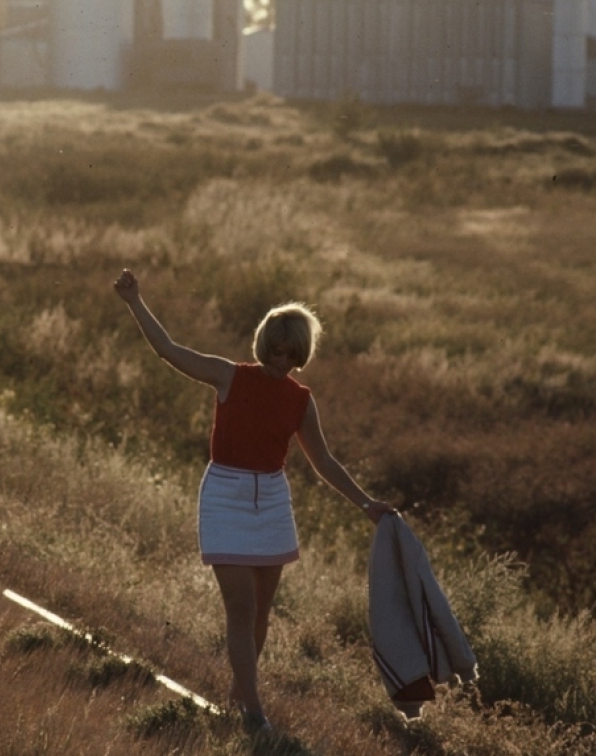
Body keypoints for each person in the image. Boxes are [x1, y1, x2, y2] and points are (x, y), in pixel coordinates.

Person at [114, 268, 394, 731]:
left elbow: (324, 461)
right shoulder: (229, 377)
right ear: (265, 344)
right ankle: (256, 715)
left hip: (273, 504)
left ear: (302, 353)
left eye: (291, 353)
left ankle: (237, 696)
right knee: (241, 611)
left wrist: (367, 505)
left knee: (261, 613)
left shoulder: (301, 400)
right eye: (276, 350)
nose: (281, 359)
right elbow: (169, 351)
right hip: (225, 496)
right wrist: (134, 301)